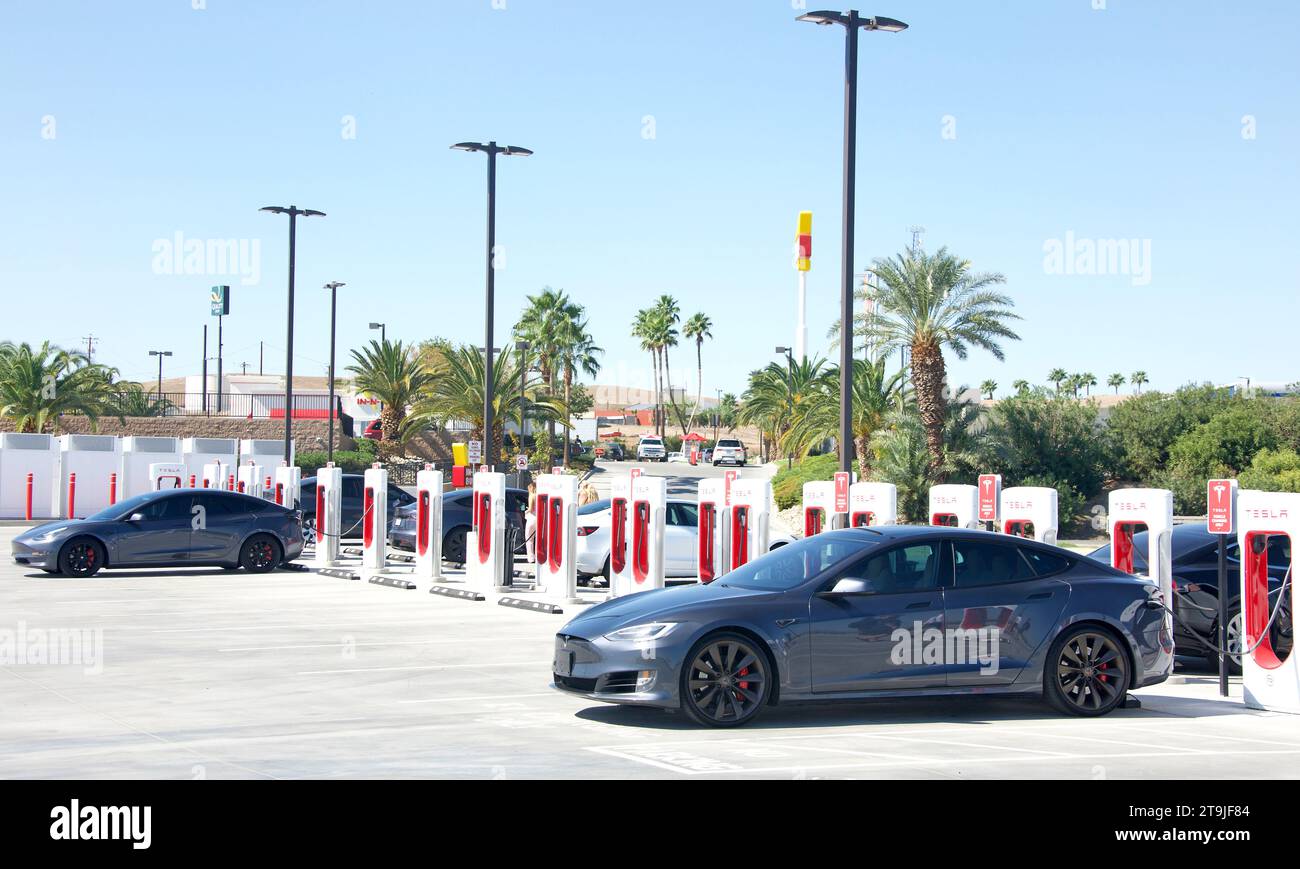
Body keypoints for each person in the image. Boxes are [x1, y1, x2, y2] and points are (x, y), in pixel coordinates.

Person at [524, 482, 538, 566]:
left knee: (529, 539)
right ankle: (538, 556)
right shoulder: (539, 495)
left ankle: (530, 557)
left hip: (531, 518)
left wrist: (525, 511)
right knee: (538, 539)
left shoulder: (531, 496)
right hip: (539, 518)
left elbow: (530, 509)